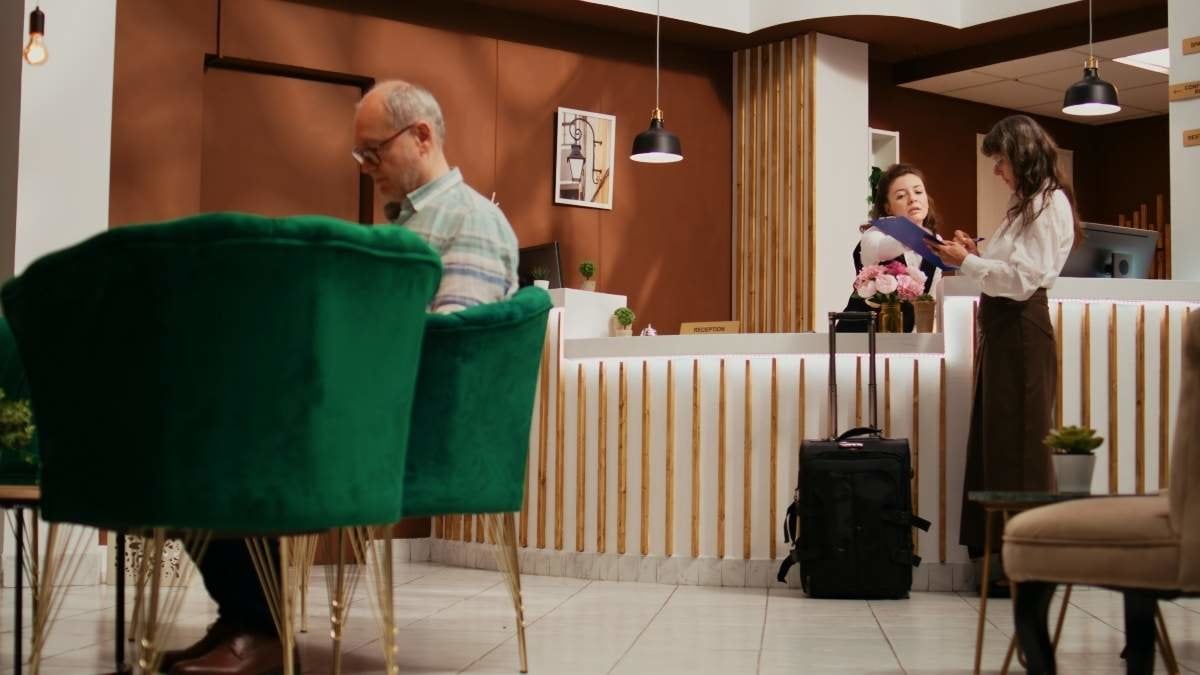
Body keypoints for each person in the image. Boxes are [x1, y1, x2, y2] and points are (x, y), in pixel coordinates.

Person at [163, 80, 519, 675]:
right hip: (368, 412)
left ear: (423, 135)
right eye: (361, 156)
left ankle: (258, 628)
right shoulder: (406, 230)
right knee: (196, 431)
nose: (365, 167)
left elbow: (448, 353)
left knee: (220, 438)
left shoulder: (469, 220)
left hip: (411, 433)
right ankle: (248, 618)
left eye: (373, 152)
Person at [930, 114, 1078, 594]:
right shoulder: (1022, 205)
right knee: (996, 441)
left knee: (1022, 444)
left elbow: (1021, 280)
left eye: (999, 161)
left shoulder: (1049, 204)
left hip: (1022, 330)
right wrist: (973, 251)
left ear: (1021, 156)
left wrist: (968, 261)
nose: (997, 171)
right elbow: (1008, 264)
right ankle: (999, 564)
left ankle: (1031, 566)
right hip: (1002, 329)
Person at [838, 163, 942, 332]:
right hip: (859, 336)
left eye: (918, 192)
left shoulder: (935, 241)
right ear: (888, 207)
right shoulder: (874, 235)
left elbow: (931, 300)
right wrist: (921, 233)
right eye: (901, 196)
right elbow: (885, 249)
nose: (913, 199)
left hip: (900, 341)